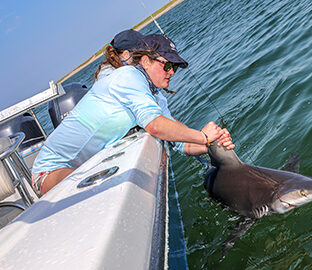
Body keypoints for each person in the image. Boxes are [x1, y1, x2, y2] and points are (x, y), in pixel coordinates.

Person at [31, 31, 234, 196]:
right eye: (168, 65)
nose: (172, 72)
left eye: (176, 68)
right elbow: (154, 125)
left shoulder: (153, 95)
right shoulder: (127, 76)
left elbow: (181, 142)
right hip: (50, 171)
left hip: (92, 165)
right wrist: (203, 136)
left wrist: (212, 144)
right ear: (145, 61)